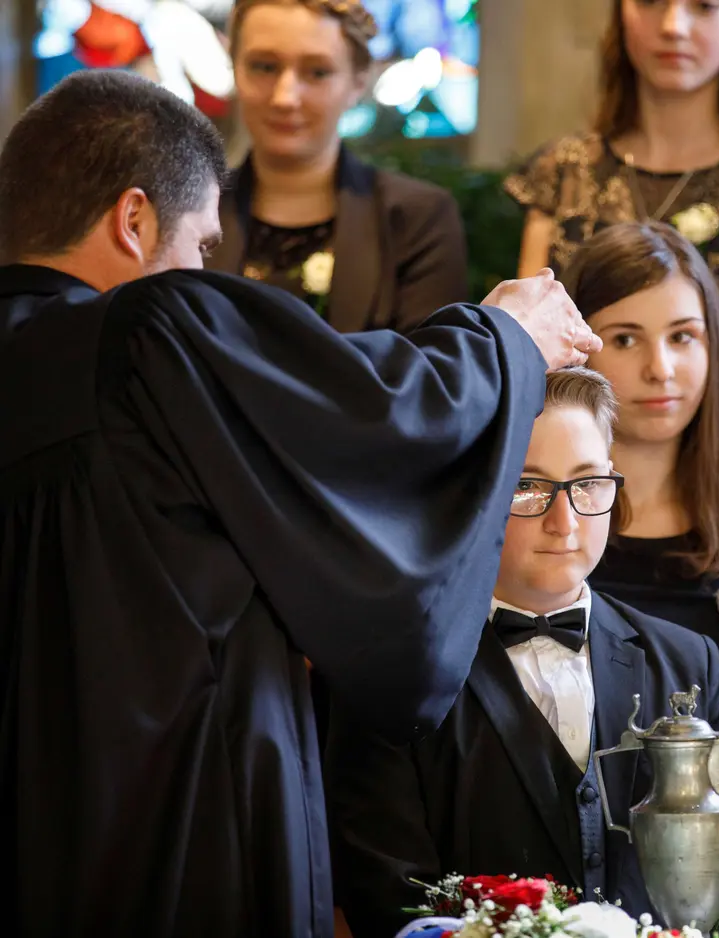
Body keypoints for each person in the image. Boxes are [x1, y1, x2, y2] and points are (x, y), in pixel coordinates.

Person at [0, 70, 597, 938]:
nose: (201, 271)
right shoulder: (143, 332)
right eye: (202, 245)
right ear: (134, 220)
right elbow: (376, 415)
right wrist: (507, 339)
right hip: (173, 831)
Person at [325, 367, 719, 938]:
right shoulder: (395, 674)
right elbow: (389, 897)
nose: (564, 521)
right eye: (527, 485)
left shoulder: (689, 662)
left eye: (588, 483)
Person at [504, 0, 719, 395]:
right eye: (650, 1)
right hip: (576, 430)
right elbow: (528, 355)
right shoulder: (566, 171)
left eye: (705, 5)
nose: (673, 26)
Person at [561, 222, 719, 721]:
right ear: (577, 347)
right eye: (625, 339)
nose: (661, 369)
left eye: (682, 336)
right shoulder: (540, 517)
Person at [206, 0, 468, 331]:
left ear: (357, 83)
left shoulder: (417, 219)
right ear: (235, 68)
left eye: (317, 72)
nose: (285, 97)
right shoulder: (187, 212)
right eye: (264, 67)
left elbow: (429, 361)